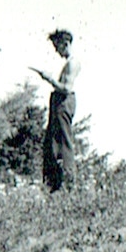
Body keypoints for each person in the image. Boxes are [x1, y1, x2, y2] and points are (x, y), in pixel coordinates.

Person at [30, 29, 81, 192]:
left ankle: (68, 183)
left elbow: (66, 88)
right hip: (59, 102)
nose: (56, 51)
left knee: (63, 142)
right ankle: (53, 184)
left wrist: (49, 78)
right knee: (52, 143)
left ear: (65, 44)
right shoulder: (69, 63)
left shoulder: (73, 63)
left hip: (63, 102)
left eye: (57, 46)